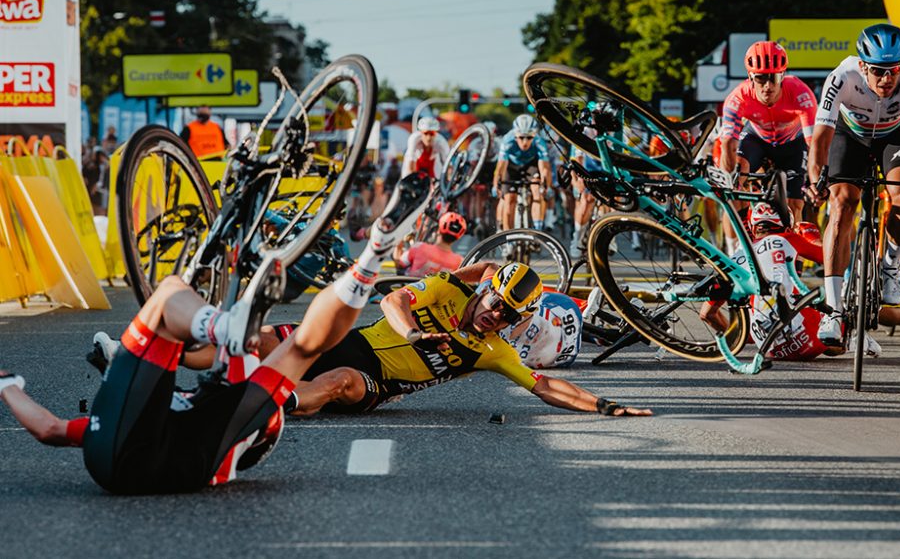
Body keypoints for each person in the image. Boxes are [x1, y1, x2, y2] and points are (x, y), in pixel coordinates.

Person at [0, 172, 434, 493]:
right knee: (279, 342)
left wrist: (9, 386)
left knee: (183, 300)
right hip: (135, 466)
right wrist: (7, 386)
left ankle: (225, 324)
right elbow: (51, 431)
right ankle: (370, 257)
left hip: (141, 458)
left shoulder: (240, 421)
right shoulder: (234, 425)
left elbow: (50, 430)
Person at [274, 262, 649, 417]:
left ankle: (266, 408)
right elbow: (393, 299)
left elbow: (546, 386)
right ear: (485, 289)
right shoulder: (446, 288)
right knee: (263, 340)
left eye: (509, 317)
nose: (496, 316)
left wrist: (604, 405)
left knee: (338, 380)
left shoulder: (493, 351)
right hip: (352, 342)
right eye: (497, 303)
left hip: (374, 384)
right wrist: (413, 334)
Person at [806, 23, 900, 351]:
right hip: (852, 136)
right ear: (863, 66)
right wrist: (816, 179)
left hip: (895, 136)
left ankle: (890, 267)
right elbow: (820, 138)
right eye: (878, 71)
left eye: (894, 70)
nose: (887, 79)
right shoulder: (842, 76)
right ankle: (833, 310)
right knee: (843, 202)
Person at [700, 204, 900, 360]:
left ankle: (848, 339)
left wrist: (749, 339)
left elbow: (706, 314)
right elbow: (834, 259)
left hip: (771, 349)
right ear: (785, 223)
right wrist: (811, 236)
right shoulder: (788, 238)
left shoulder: (734, 258)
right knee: (856, 304)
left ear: (752, 229)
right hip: (809, 339)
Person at [720, 41, 817, 242]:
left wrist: (815, 179)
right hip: (757, 139)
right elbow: (728, 143)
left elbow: (814, 142)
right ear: (750, 77)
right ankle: (736, 249)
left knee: (794, 205)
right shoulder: (738, 96)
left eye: (774, 78)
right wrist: (728, 184)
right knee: (734, 185)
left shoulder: (800, 92)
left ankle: (792, 264)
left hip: (792, 143)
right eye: (761, 78)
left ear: (783, 76)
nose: (767, 86)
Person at [494, 114, 551, 232]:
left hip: (531, 164)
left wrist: (545, 185)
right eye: (521, 137)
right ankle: (508, 237)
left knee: (537, 190)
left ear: (534, 135)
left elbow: (544, 168)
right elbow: (501, 167)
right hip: (512, 166)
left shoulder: (539, 141)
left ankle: (537, 230)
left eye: (529, 137)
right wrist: (497, 184)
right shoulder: (507, 140)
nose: (525, 142)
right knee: (509, 198)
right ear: (515, 135)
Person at [393, 211, 466, 276]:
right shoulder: (460, 262)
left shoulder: (419, 247)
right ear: (458, 237)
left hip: (412, 289)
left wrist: (398, 247)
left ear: (438, 230)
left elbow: (399, 265)